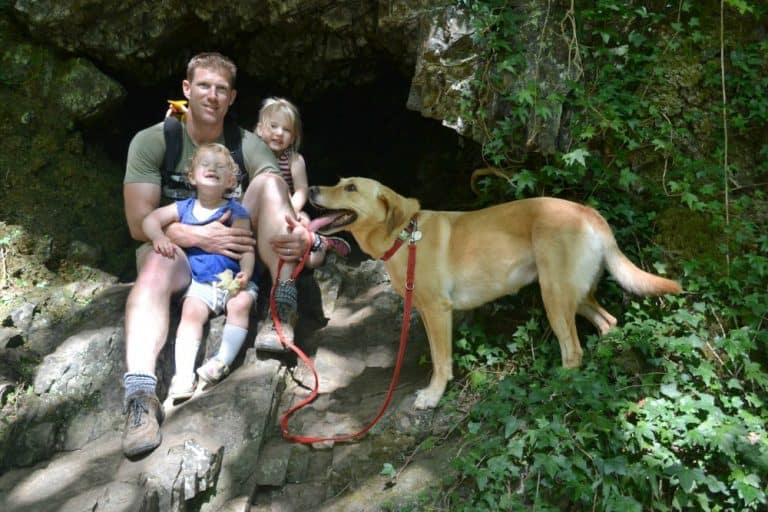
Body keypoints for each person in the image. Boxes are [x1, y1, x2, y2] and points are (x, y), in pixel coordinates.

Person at [121, 52, 309, 458]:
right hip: (176, 255)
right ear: (187, 90)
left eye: (221, 89)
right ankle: (140, 397)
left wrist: (296, 234)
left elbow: (277, 200)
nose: (212, 95)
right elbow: (139, 223)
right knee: (152, 269)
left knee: (273, 186)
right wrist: (200, 236)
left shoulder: (247, 144)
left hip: (234, 256)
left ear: (232, 97)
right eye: (203, 86)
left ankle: (284, 301)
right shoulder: (155, 141)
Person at [141, 143, 257, 403]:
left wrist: (246, 274)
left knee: (242, 303)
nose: (212, 169)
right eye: (205, 164)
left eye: (220, 167)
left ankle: (221, 361)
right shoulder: (183, 207)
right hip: (200, 282)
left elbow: (246, 247)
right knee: (190, 312)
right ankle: (183, 375)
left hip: (232, 280)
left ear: (230, 180)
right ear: (192, 176)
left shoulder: (236, 211)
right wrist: (159, 237)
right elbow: (149, 220)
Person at [254, 97, 351, 272]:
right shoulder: (252, 155)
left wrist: (291, 209)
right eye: (273, 126)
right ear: (260, 129)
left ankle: (319, 243)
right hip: (262, 215)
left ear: (293, 138)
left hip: (290, 210)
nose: (279, 133)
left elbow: (301, 189)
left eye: (286, 130)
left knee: (310, 261)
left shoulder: (294, 159)